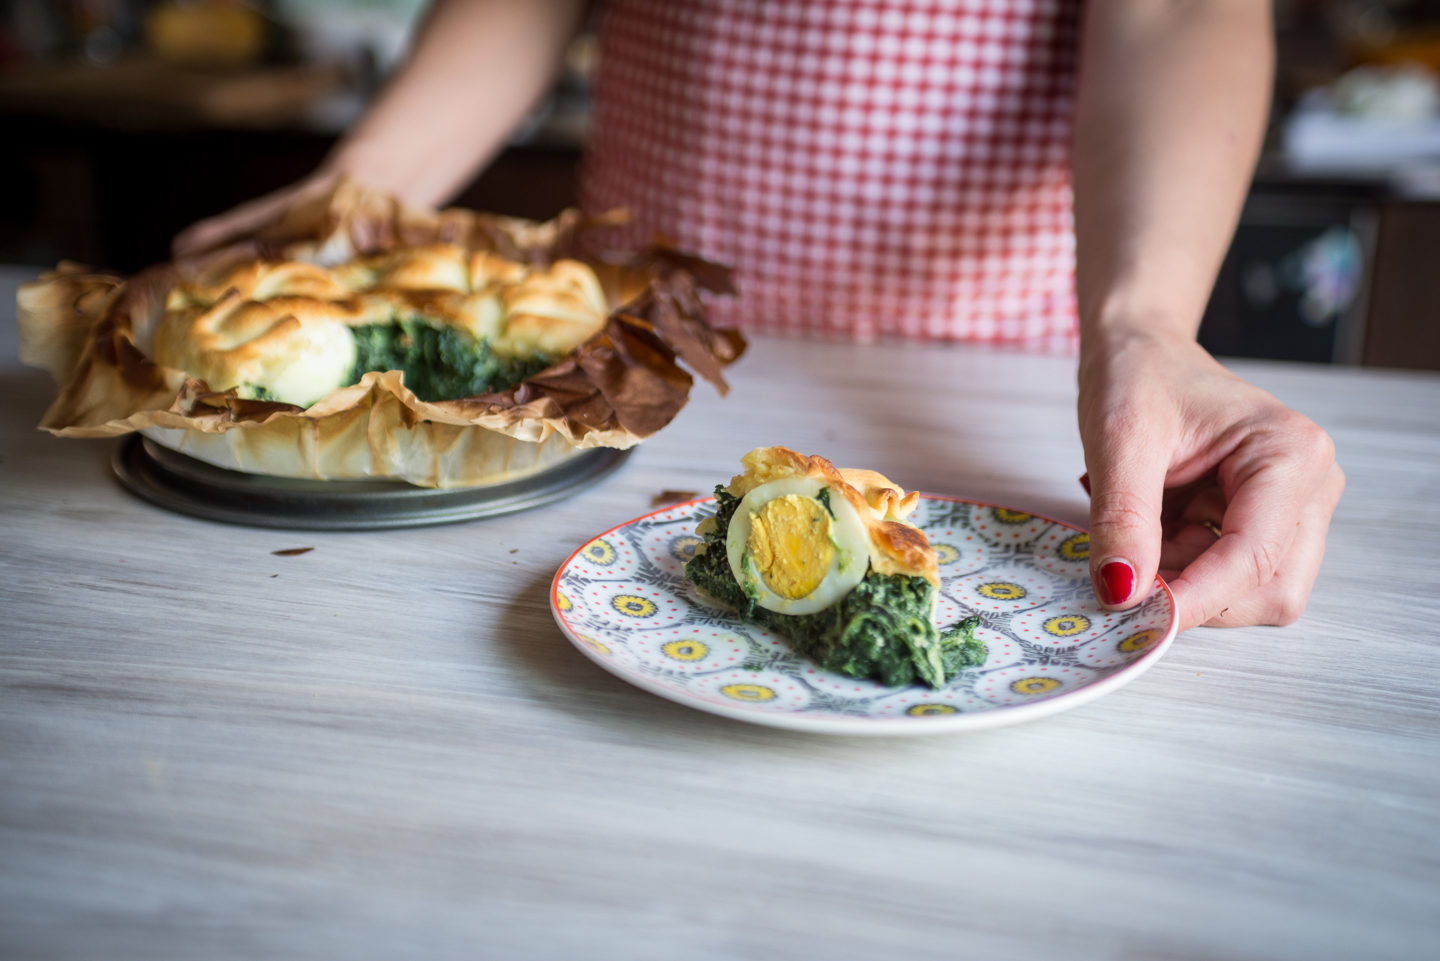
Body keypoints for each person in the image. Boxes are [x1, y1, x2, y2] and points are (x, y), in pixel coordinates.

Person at [174, 0, 1344, 634]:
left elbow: (1181, 15)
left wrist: (1144, 327)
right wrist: (364, 195)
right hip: (624, 374)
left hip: (991, 381)